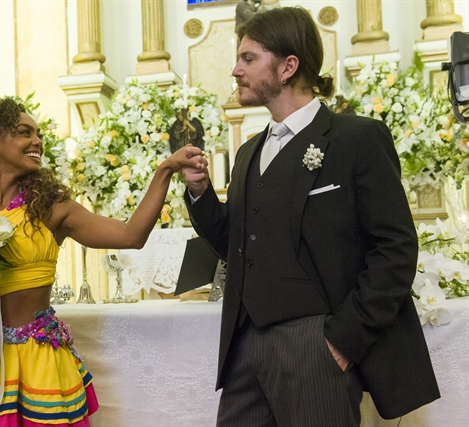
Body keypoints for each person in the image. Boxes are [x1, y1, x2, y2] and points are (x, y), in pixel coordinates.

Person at [181, 7, 439, 427]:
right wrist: (200, 193)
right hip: (244, 346)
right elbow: (235, 241)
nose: (235, 70)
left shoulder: (356, 139)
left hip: (315, 344)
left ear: (287, 67)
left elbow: (394, 249)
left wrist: (343, 341)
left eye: (248, 58)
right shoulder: (248, 153)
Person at [0, 98, 204, 426]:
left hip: (39, 361)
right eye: (24, 133)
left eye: (38, 134)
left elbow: (132, 236)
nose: (37, 141)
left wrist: (165, 170)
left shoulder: (52, 208)